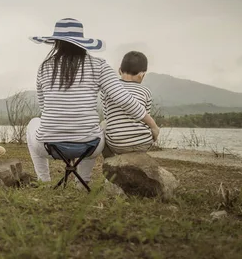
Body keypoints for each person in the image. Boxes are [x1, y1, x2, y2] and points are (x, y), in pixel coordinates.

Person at [27, 18, 160, 183]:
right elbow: (125, 100)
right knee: (98, 128)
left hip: (49, 146)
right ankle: (82, 182)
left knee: (33, 122)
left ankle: (44, 180)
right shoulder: (99, 65)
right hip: (89, 147)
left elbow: (44, 107)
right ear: (82, 43)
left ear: (57, 43)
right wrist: (152, 125)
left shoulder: (44, 67)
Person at [102, 51, 159, 157]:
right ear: (142, 75)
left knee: (103, 125)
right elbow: (146, 117)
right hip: (143, 142)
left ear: (119, 70)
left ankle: (110, 161)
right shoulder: (145, 91)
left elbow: (107, 117)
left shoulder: (108, 90)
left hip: (116, 144)